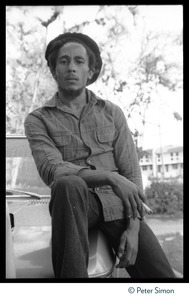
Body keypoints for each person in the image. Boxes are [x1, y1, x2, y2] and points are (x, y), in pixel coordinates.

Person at [24, 32, 175, 278]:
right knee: (67, 183)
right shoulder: (38, 119)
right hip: (74, 205)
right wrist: (110, 178)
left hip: (120, 207)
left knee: (166, 283)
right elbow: (52, 168)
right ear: (53, 71)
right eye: (63, 61)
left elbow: (132, 174)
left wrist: (134, 229)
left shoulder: (112, 113)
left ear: (90, 72)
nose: (71, 67)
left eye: (79, 61)